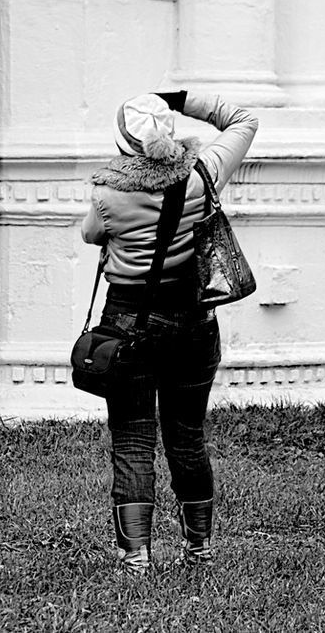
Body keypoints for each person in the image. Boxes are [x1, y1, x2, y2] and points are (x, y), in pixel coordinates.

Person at [81, 91, 258, 572]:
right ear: (170, 130)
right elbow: (243, 120)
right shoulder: (204, 171)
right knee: (187, 436)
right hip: (195, 321)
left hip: (129, 322)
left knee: (134, 438)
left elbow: (90, 234)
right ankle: (198, 548)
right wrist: (182, 100)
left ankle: (136, 555)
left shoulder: (108, 195)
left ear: (123, 144)